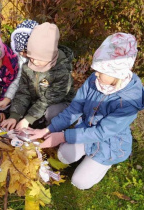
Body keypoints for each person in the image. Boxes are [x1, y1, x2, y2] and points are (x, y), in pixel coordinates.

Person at [28, 33, 144, 190]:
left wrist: (62, 136)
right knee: (64, 155)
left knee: (80, 182)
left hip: (109, 145)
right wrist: (47, 130)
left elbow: (102, 133)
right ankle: (83, 156)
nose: (95, 74)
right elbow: (75, 109)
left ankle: (101, 165)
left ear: (116, 74)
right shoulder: (95, 81)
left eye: (100, 71)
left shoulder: (129, 102)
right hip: (86, 131)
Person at [1, 22, 75, 130]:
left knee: (52, 113)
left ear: (50, 55)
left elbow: (47, 100)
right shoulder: (28, 67)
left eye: (39, 58)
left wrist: (27, 119)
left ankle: (55, 132)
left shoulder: (62, 72)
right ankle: (36, 125)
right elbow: (23, 93)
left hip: (59, 105)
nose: (34, 62)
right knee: (18, 110)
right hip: (38, 104)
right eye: (31, 57)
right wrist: (14, 116)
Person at [0, 19, 38, 111]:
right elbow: (18, 79)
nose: (21, 54)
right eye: (18, 50)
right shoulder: (22, 59)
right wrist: (7, 98)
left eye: (24, 51)